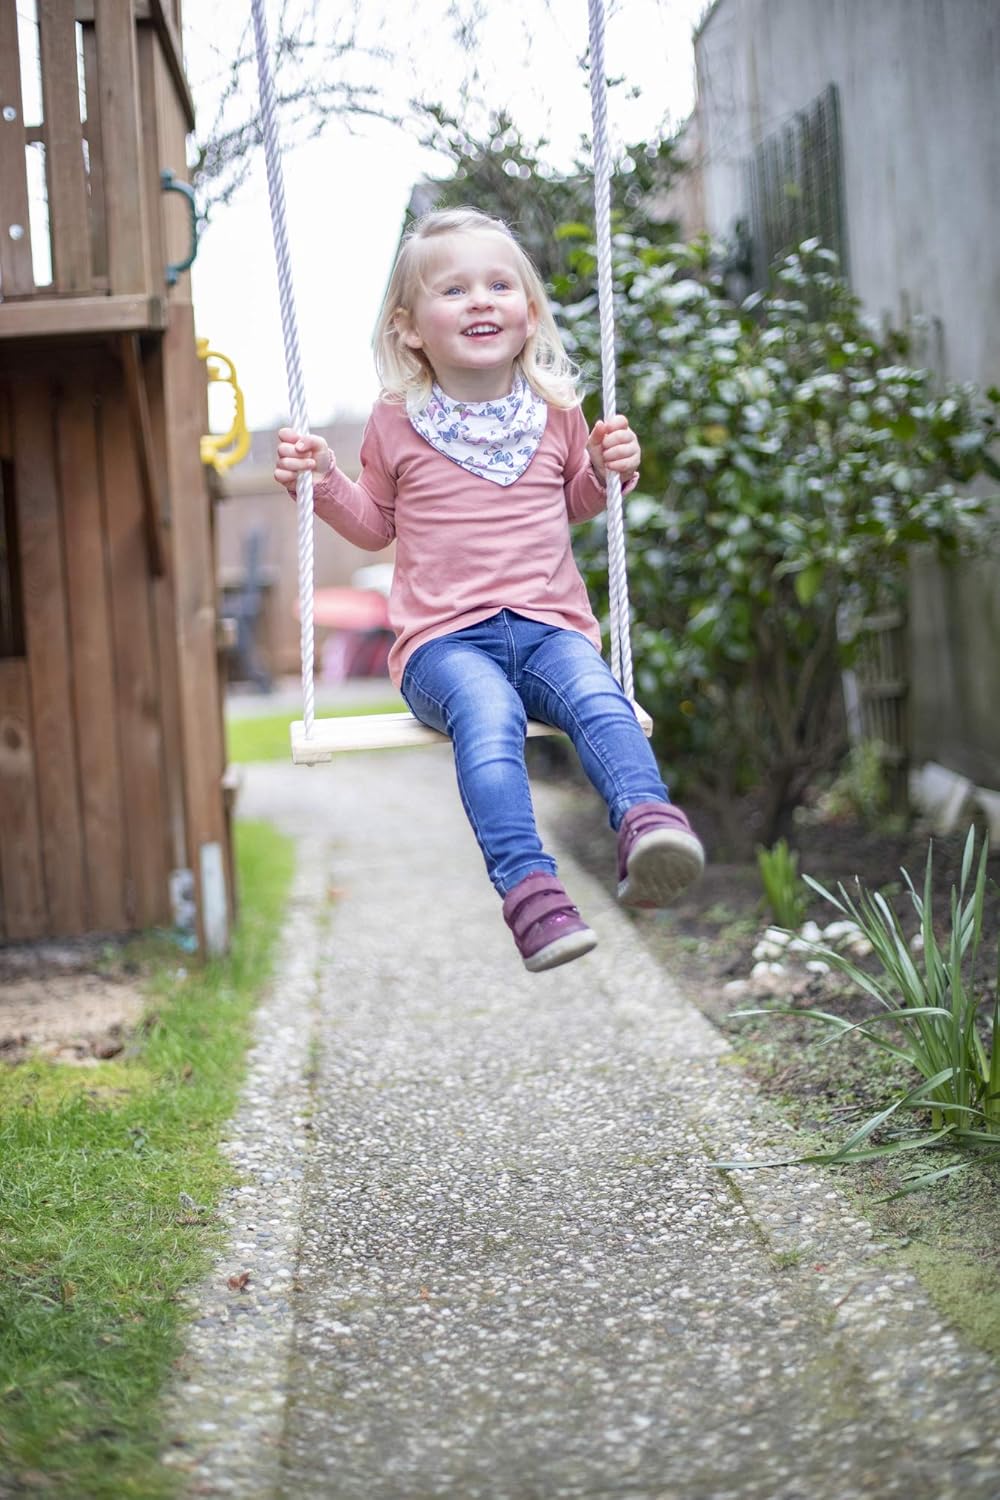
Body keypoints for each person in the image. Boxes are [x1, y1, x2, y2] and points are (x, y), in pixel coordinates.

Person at [275, 207, 704, 972]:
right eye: (455, 290)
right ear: (410, 328)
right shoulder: (397, 419)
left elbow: (569, 502)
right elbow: (376, 526)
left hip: (549, 627)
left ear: (529, 310)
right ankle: (532, 894)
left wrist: (608, 472)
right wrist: (323, 481)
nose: (481, 300)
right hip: (442, 645)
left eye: (499, 284)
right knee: (489, 713)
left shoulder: (558, 409)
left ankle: (648, 825)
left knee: (600, 698)